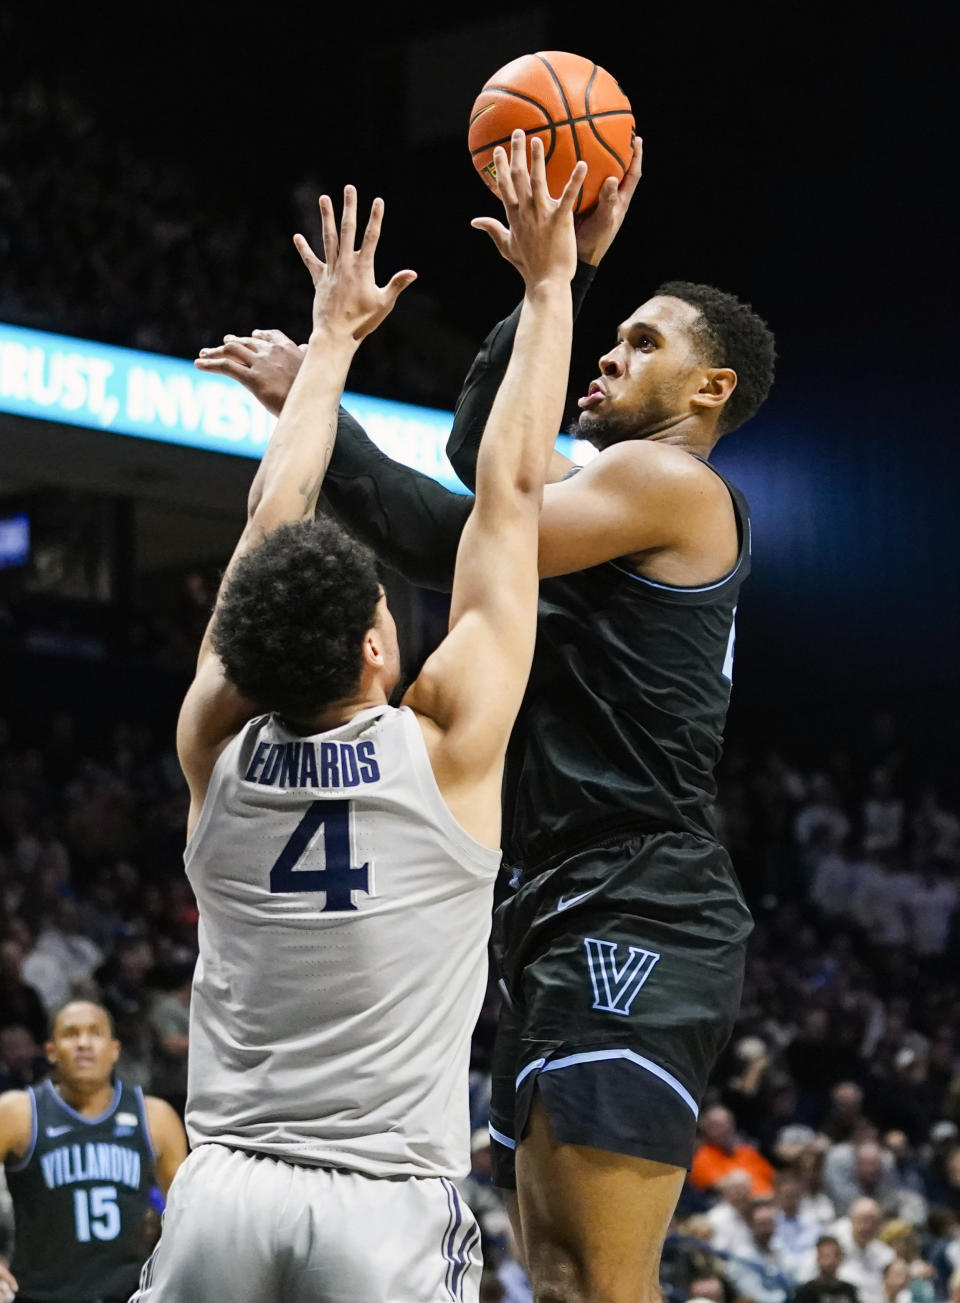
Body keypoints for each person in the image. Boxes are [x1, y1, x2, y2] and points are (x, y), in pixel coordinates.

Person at [197, 139, 777, 1302]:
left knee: (602, 1281)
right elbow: (488, 496)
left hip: (635, 895)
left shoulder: (669, 484)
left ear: (711, 392)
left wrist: (541, 293)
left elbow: (472, 507)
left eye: (645, 341)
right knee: (559, 1276)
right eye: (613, 336)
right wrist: (545, 301)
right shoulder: (607, 498)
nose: (612, 354)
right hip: (556, 892)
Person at [144, 135, 586, 1303]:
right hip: (382, 1201)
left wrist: (329, 348)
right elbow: (511, 495)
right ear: (380, 646)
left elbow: (269, 514)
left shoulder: (216, 748)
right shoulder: (446, 749)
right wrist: (552, 286)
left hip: (226, 1186)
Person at [0, 999, 186, 1303]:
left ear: (114, 1050)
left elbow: (188, 1214)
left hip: (130, 1293)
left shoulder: (155, 1116)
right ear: (51, 1051)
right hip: (40, 1294)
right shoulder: (17, 1112)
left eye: (95, 1033)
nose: (83, 1043)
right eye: (71, 1034)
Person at [793, 1236, 860, 1303]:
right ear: (818, 1258)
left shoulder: (850, 1290)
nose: (831, 1261)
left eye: (836, 1255)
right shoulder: (806, 1292)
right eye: (826, 1256)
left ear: (841, 1258)